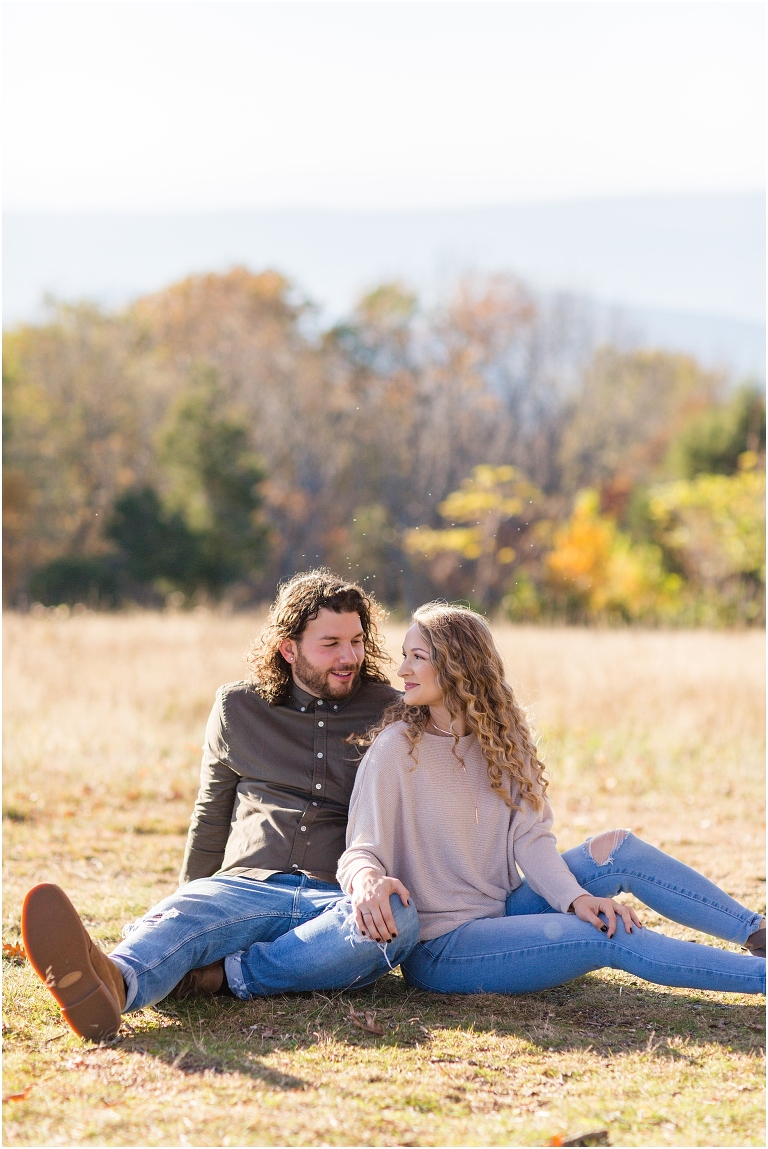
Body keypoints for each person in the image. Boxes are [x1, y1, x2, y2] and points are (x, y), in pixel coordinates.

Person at [21, 571, 420, 1042]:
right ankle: (115, 983)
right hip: (245, 887)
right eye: (330, 644)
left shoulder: (394, 711)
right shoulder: (238, 707)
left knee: (400, 919)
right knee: (191, 913)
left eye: (356, 641)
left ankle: (217, 977)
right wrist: (189, 897)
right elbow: (210, 814)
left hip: (338, 897)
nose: (349, 657)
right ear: (288, 649)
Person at [337, 602, 765, 998]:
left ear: (457, 665)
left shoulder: (501, 741)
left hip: (503, 911)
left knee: (617, 850)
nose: (402, 670)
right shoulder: (396, 750)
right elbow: (361, 851)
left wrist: (575, 899)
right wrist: (366, 881)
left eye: (417, 657)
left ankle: (757, 933)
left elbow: (531, 840)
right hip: (443, 948)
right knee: (607, 931)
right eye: (405, 655)